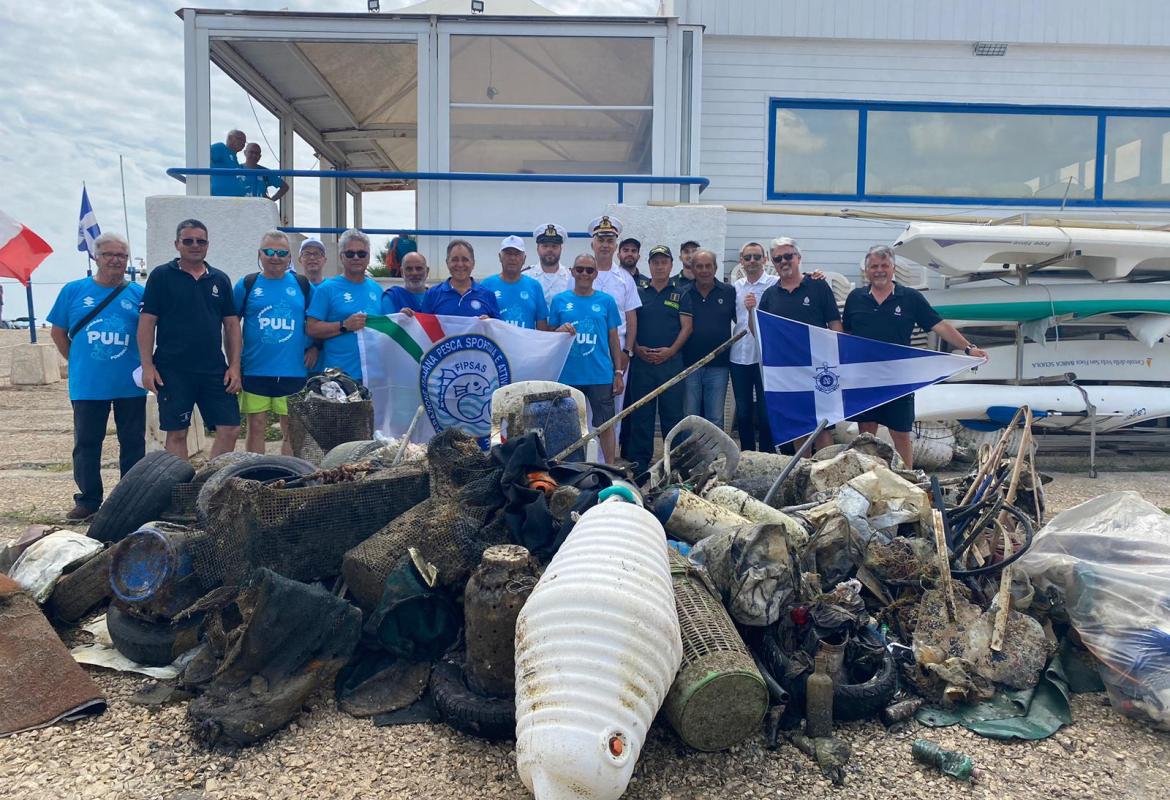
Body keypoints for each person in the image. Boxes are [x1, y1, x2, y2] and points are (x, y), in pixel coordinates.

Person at [844, 245, 988, 468]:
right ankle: (866, 476)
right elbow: (844, 335)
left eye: (884, 266)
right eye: (874, 266)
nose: (879, 270)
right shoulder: (855, 298)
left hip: (899, 378)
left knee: (900, 432)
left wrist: (968, 348)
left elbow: (938, 325)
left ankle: (909, 480)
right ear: (866, 271)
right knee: (866, 433)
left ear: (892, 269)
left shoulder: (910, 298)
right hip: (865, 379)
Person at [48, 232, 145, 519]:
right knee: (87, 443)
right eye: (109, 255)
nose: (115, 260)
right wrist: (78, 361)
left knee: (132, 443)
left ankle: (129, 498)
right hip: (88, 384)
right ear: (96, 257)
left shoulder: (138, 293)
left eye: (121, 255)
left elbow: (150, 328)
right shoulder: (74, 291)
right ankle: (89, 500)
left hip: (129, 383)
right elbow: (58, 332)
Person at [138, 219, 241, 459]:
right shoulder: (161, 276)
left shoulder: (220, 279)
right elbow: (147, 323)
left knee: (231, 428)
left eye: (200, 241)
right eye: (188, 241)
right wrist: (147, 366)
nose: (195, 245)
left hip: (214, 368)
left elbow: (232, 324)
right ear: (177, 244)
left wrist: (235, 366)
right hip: (172, 370)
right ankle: (181, 490)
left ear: (207, 245)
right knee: (177, 434)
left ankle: (209, 483)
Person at [756, 237, 842, 452]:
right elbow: (760, 332)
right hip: (789, 372)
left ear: (798, 258)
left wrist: (837, 357)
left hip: (819, 367)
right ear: (773, 263)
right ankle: (803, 477)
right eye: (778, 258)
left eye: (788, 256)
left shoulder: (818, 285)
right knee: (799, 427)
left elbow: (834, 323)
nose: (784, 261)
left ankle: (826, 473)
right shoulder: (769, 295)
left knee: (822, 427)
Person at [233, 231, 315, 455]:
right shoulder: (247, 284)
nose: (275, 257)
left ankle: (286, 478)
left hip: (293, 370)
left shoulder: (302, 284)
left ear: (290, 257)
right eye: (269, 252)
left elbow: (318, 319)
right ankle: (256, 477)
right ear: (260, 254)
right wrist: (233, 364)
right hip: (255, 369)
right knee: (256, 426)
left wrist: (315, 346)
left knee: (290, 429)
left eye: (281, 253)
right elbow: (231, 325)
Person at [547, 254, 623, 463]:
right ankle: (567, 468)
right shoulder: (560, 300)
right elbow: (549, 336)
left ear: (595, 274)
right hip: (568, 375)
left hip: (599, 374)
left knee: (606, 425)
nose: (584, 274)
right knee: (566, 425)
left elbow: (613, 339)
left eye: (589, 270)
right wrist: (559, 330)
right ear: (572, 271)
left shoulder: (606, 301)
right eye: (580, 269)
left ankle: (610, 468)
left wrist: (618, 372)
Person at [624, 245, 693, 473]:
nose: (660, 266)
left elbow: (687, 327)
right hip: (642, 363)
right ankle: (640, 463)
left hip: (670, 364)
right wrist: (635, 348)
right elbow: (630, 323)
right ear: (649, 265)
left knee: (671, 415)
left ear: (671, 265)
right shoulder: (638, 291)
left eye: (664, 262)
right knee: (641, 415)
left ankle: (673, 462)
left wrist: (671, 351)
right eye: (655, 262)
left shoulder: (681, 292)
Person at [305, 229, 383, 383]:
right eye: (350, 253)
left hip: (371, 376)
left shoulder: (377, 289)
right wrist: (344, 325)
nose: (356, 257)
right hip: (337, 377)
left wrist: (405, 317)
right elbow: (311, 328)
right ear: (341, 257)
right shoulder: (326, 289)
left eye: (361, 254)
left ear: (368, 257)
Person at [589, 216, 641, 434]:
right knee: (585, 403)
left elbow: (631, 319)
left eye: (610, 240)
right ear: (593, 243)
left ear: (615, 245)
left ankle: (606, 461)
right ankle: (584, 459)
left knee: (615, 404)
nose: (605, 245)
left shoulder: (624, 279)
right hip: (586, 346)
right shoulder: (580, 272)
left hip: (616, 348)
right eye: (601, 240)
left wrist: (627, 351)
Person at [730, 241, 778, 452]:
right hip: (738, 356)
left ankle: (766, 454)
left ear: (764, 260)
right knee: (743, 412)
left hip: (765, 357)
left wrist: (817, 274)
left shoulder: (775, 284)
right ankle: (747, 453)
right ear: (741, 261)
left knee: (766, 413)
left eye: (756, 257)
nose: (752, 261)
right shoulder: (735, 287)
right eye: (747, 257)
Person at [682, 248, 736, 430]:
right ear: (692, 269)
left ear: (715, 268)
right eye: (699, 266)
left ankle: (714, 458)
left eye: (708, 266)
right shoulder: (684, 293)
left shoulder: (729, 292)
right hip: (689, 365)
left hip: (718, 366)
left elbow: (742, 321)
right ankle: (690, 458)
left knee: (715, 419)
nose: (704, 270)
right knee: (690, 418)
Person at [415, 240, 500, 318]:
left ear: (473, 263)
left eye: (465, 260)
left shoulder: (488, 295)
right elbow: (422, 329)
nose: (460, 264)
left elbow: (498, 331)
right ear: (447, 263)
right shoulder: (432, 295)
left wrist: (490, 324)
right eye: (455, 260)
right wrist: (405, 318)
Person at [482, 235, 549, 330]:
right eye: (508, 253)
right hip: (497, 344)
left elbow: (542, 326)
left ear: (524, 258)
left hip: (525, 344)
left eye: (517, 254)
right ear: (500, 257)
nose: (512, 258)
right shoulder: (486, 286)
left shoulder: (534, 286)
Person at [523, 223, 571, 305]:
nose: (549, 250)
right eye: (545, 246)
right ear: (537, 249)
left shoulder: (571, 277)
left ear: (561, 249)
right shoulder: (525, 277)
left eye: (554, 246)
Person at [209, 130, 246, 196]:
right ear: (230, 138)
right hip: (220, 197)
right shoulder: (221, 147)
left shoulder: (234, 158)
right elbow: (201, 155)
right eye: (240, 139)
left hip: (233, 199)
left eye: (244, 142)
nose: (243, 143)